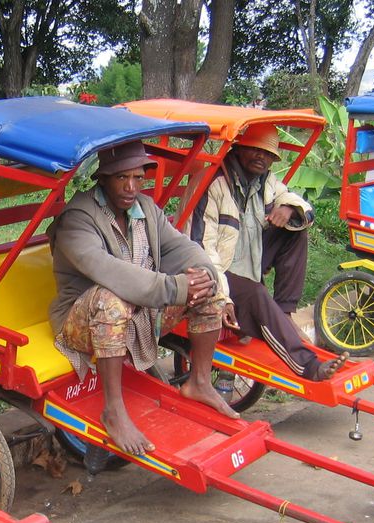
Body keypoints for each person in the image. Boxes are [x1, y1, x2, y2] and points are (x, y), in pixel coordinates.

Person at [48, 140, 237, 460]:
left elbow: (179, 246)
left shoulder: (145, 209)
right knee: (111, 299)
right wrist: (176, 287)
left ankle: (200, 382)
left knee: (210, 289)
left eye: (138, 177)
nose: (131, 186)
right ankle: (114, 409)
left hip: (138, 307)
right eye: (122, 178)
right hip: (82, 318)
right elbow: (108, 271)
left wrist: (205, 273)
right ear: (103, 178)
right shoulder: (78, 217)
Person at [189, 123, 347, 380]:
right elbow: (202, 249)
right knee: (256, 293)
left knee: (296, 231)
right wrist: (224, 297)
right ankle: (307, 366)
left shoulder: (265, 182)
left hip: (247, 256)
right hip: (214, 271)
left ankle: (284, 313)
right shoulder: (214, 184)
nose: (262, 157)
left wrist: (289, 209)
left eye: (268, 154)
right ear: (240, 148)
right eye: (256, 150)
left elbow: (301, 205)